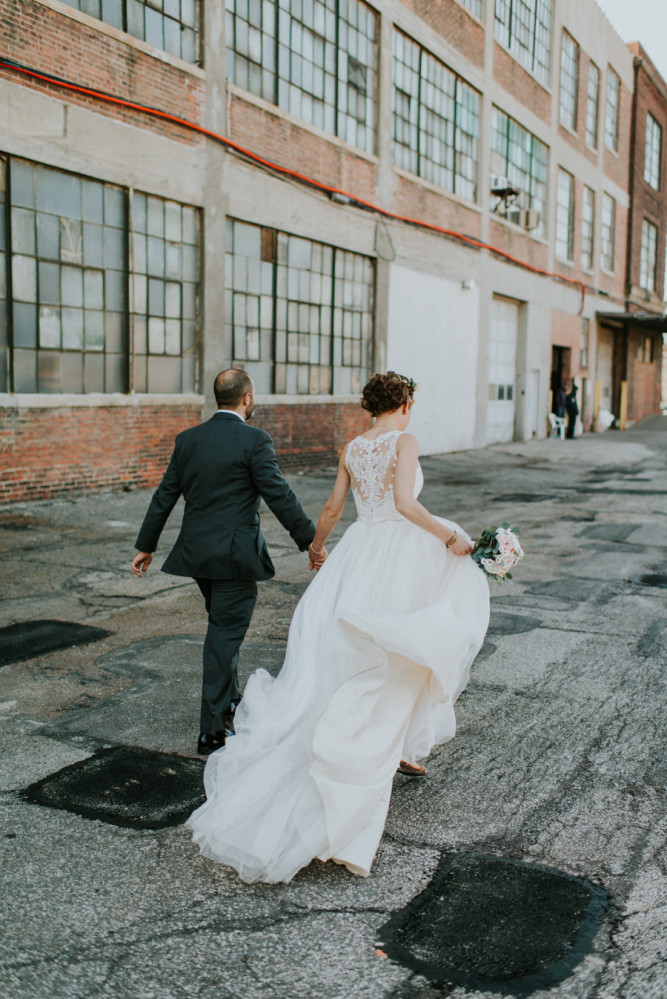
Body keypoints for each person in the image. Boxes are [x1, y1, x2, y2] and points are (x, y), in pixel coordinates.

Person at [186, 371, 490, 883]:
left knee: (358, 655)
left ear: (371, 406)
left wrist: (318, 547)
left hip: (358, 553)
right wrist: (448, 537)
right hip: (399, 555)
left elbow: (331, 508)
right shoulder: (406, 441)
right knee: (404, 650)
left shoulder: (353, 447)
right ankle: (375, 750)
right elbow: (405, 504)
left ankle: (398, 746)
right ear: (405, 404)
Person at [131, 369, 320, 757]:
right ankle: (212, 730)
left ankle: (231, 699)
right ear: (246, 398)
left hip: (197, 555)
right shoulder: (255, 440)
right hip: (234, 559)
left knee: (222, 628)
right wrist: (310, 542)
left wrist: (146, 545)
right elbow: (278, 494)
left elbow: (164, 495)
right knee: (223, 636)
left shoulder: (188, 439)